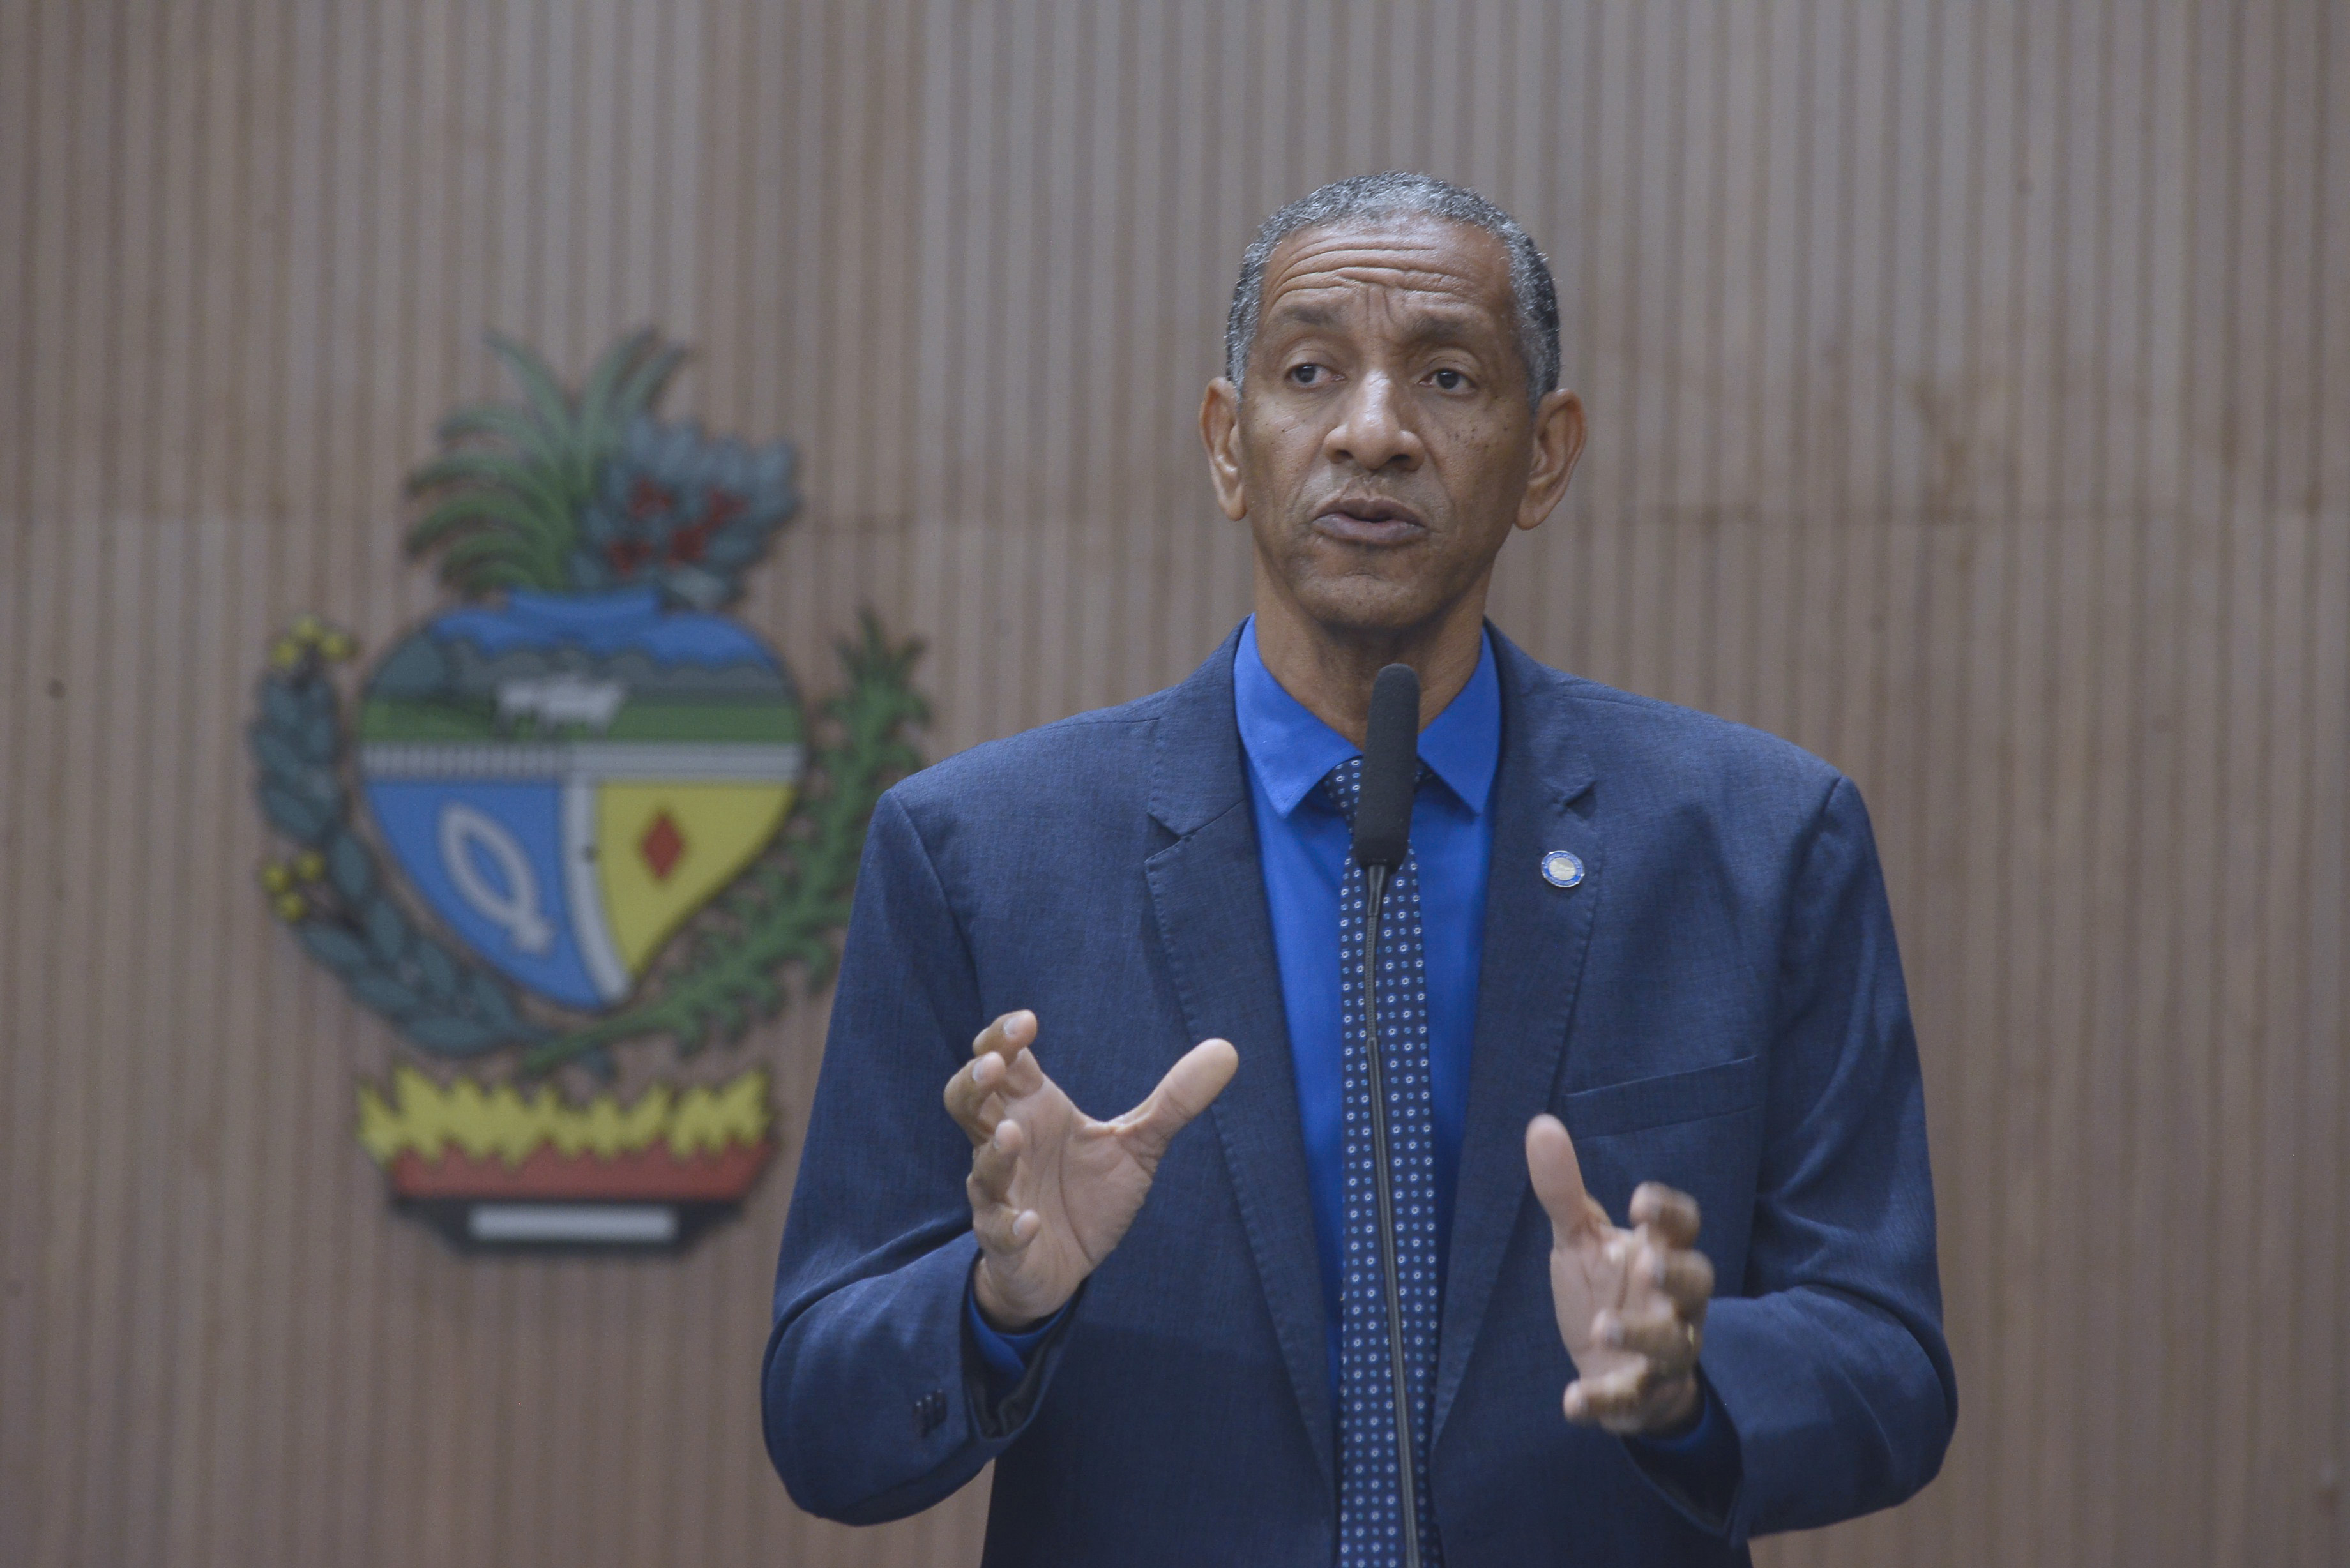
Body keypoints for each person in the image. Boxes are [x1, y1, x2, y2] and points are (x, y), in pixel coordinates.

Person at [762, 172, 1955, 1565]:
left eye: (1447, 378)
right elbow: (822, 1417)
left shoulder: (1759, 843)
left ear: (1545, 456)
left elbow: (1888, 1359)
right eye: (1311, 372)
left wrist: (1692, 1378)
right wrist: (996, 1304)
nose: (1374, 431)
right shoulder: (979, 851)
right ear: (1229, 446)